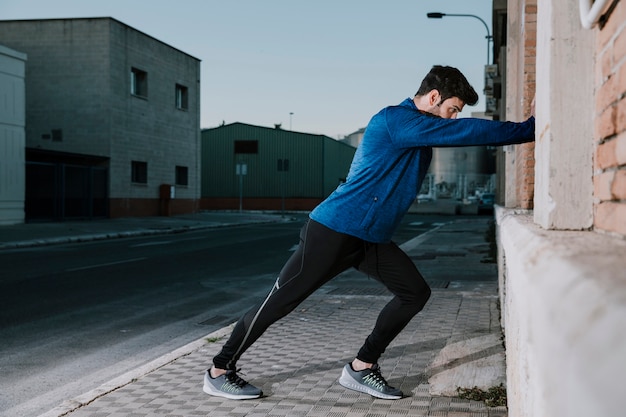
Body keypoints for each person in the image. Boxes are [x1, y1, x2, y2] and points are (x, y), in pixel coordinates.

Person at [202, 65, 535, 400]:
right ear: (433, 97)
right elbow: (466, 132)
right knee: (278, 303)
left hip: (369, 238)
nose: (451, 119)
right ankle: (219, 369)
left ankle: (362, 366)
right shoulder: (396, 120)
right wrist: (527, 129)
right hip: (333, 230)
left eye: (455, 114)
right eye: (451, 110)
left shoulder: (417, 129)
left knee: (414, 292)